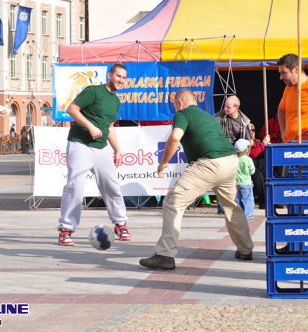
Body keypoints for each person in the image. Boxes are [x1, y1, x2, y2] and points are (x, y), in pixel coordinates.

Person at [139, 89, 254, 270]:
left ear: (181, 103)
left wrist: (163, 163)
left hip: (210, 163)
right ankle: (246, 249)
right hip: (230, 162)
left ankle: (165, 255)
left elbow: (176, 136)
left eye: (175, 105)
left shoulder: (183, 113)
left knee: (172, 202)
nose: (175, 108)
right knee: (231, 206)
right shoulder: (208, 116)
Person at [57, 64, 131, 246]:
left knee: (111, 185)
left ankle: (120, 223)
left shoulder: (116, 101)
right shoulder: (94, 91)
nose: (121, 80)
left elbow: (110, 127)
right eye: (118, 76)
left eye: (123, 78)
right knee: (75, 186)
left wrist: (117, 149)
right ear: (110, 75)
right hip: (80, 143)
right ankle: (66, 229)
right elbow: (72, 109)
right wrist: (90, 126)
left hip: (101, 147)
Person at [249, 123, 270, 209]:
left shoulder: (257, 141)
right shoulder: (245, 141)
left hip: (259, 165)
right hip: (249, 167)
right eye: (250, 130)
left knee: (268, 173)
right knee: (258, 176)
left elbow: (262, 153)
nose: (252, 132)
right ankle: (263, 202)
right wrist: (263, 144)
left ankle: (272, 200)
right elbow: (252, 154)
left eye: (253, 130)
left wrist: (267, 146)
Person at [234, 139, 255, 219]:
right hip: (246, 182)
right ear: (246, 149)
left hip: (236, 183)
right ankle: (248, 215)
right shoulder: (248, 159)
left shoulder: (234, 159)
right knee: (248, 200)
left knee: (238, 199)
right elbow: (252, 171)